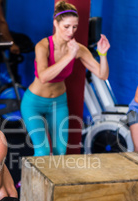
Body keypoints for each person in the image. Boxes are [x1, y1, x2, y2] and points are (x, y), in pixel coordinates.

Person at [20, 1, 110, 156]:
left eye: (74, 27)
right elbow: (43, 76)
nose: (71, 31)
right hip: (34, 103)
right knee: (42, 151)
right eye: (66, 26)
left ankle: (50, 181)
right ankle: (27, 181)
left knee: (60, 151)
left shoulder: (78, 49)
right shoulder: (43, 46)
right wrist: (69, 57)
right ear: (55, 23)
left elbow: (102, 74)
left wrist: (103, 54)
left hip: (58, 103)